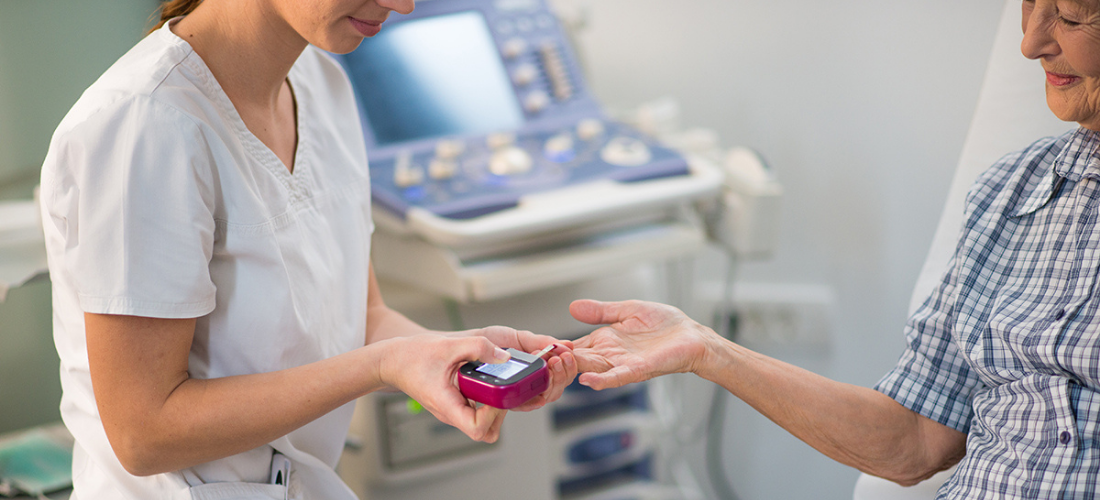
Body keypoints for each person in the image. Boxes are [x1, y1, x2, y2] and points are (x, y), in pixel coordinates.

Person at [37, 0, 577, 498]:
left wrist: (460, 357)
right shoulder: (145, 124)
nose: (404, 3)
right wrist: (383, 365)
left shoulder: (322, 83)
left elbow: (363, 317)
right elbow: (144, 434)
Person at [569, 0, 1100, 497]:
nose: (1030, 44)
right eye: (1030, 4)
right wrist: (706, 351)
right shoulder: (1010, 194)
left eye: (1073, 17)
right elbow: (915, 437)